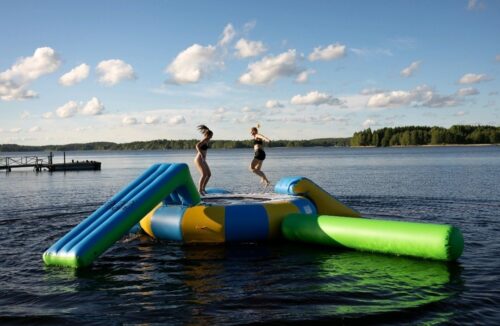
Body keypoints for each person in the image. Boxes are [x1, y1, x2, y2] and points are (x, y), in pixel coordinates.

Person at [194, 125, 213, 195]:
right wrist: (201, 154)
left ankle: (203, 189)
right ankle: (199, 190)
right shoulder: (204, 140)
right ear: (207, 135)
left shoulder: (207, 141)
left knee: (209, 174)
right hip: (199, 159)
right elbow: (197, 146)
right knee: (204, 174)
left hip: (203, 160)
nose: (211, 137)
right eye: (211, 136)